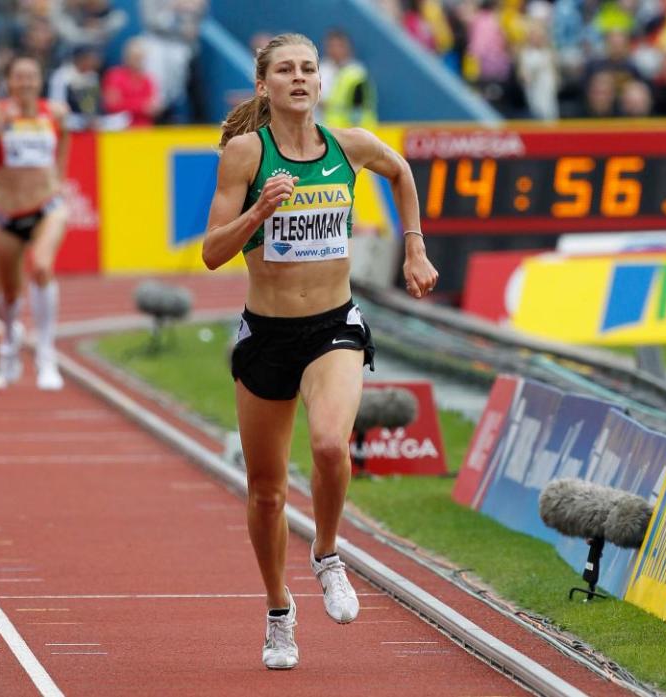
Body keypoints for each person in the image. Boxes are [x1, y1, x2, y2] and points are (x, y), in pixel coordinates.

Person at [202, 33, 437, 670]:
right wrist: (260, 211)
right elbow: (212, 252)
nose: (300, 78)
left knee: (332, 445)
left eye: (309, 68)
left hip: (334, 325)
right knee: (267, 492)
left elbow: (403, 171)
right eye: (286, 70)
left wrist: (414, 247)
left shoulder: (349, 147)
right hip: (266, 336)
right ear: (264, 86)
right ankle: (279, 611)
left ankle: (328, 553)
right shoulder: (245, 156)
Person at [0, 55, 70, 391]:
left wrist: (59, 179)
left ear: (40, 81)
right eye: (19, 77)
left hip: (47, 206)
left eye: (31, 77)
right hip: (6, 214)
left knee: (41, 266)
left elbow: (65, 140)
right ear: (9, 82)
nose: (25, 83)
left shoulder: (54, 112)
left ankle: (46, 356)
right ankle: (9, 345)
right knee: (8, 290)